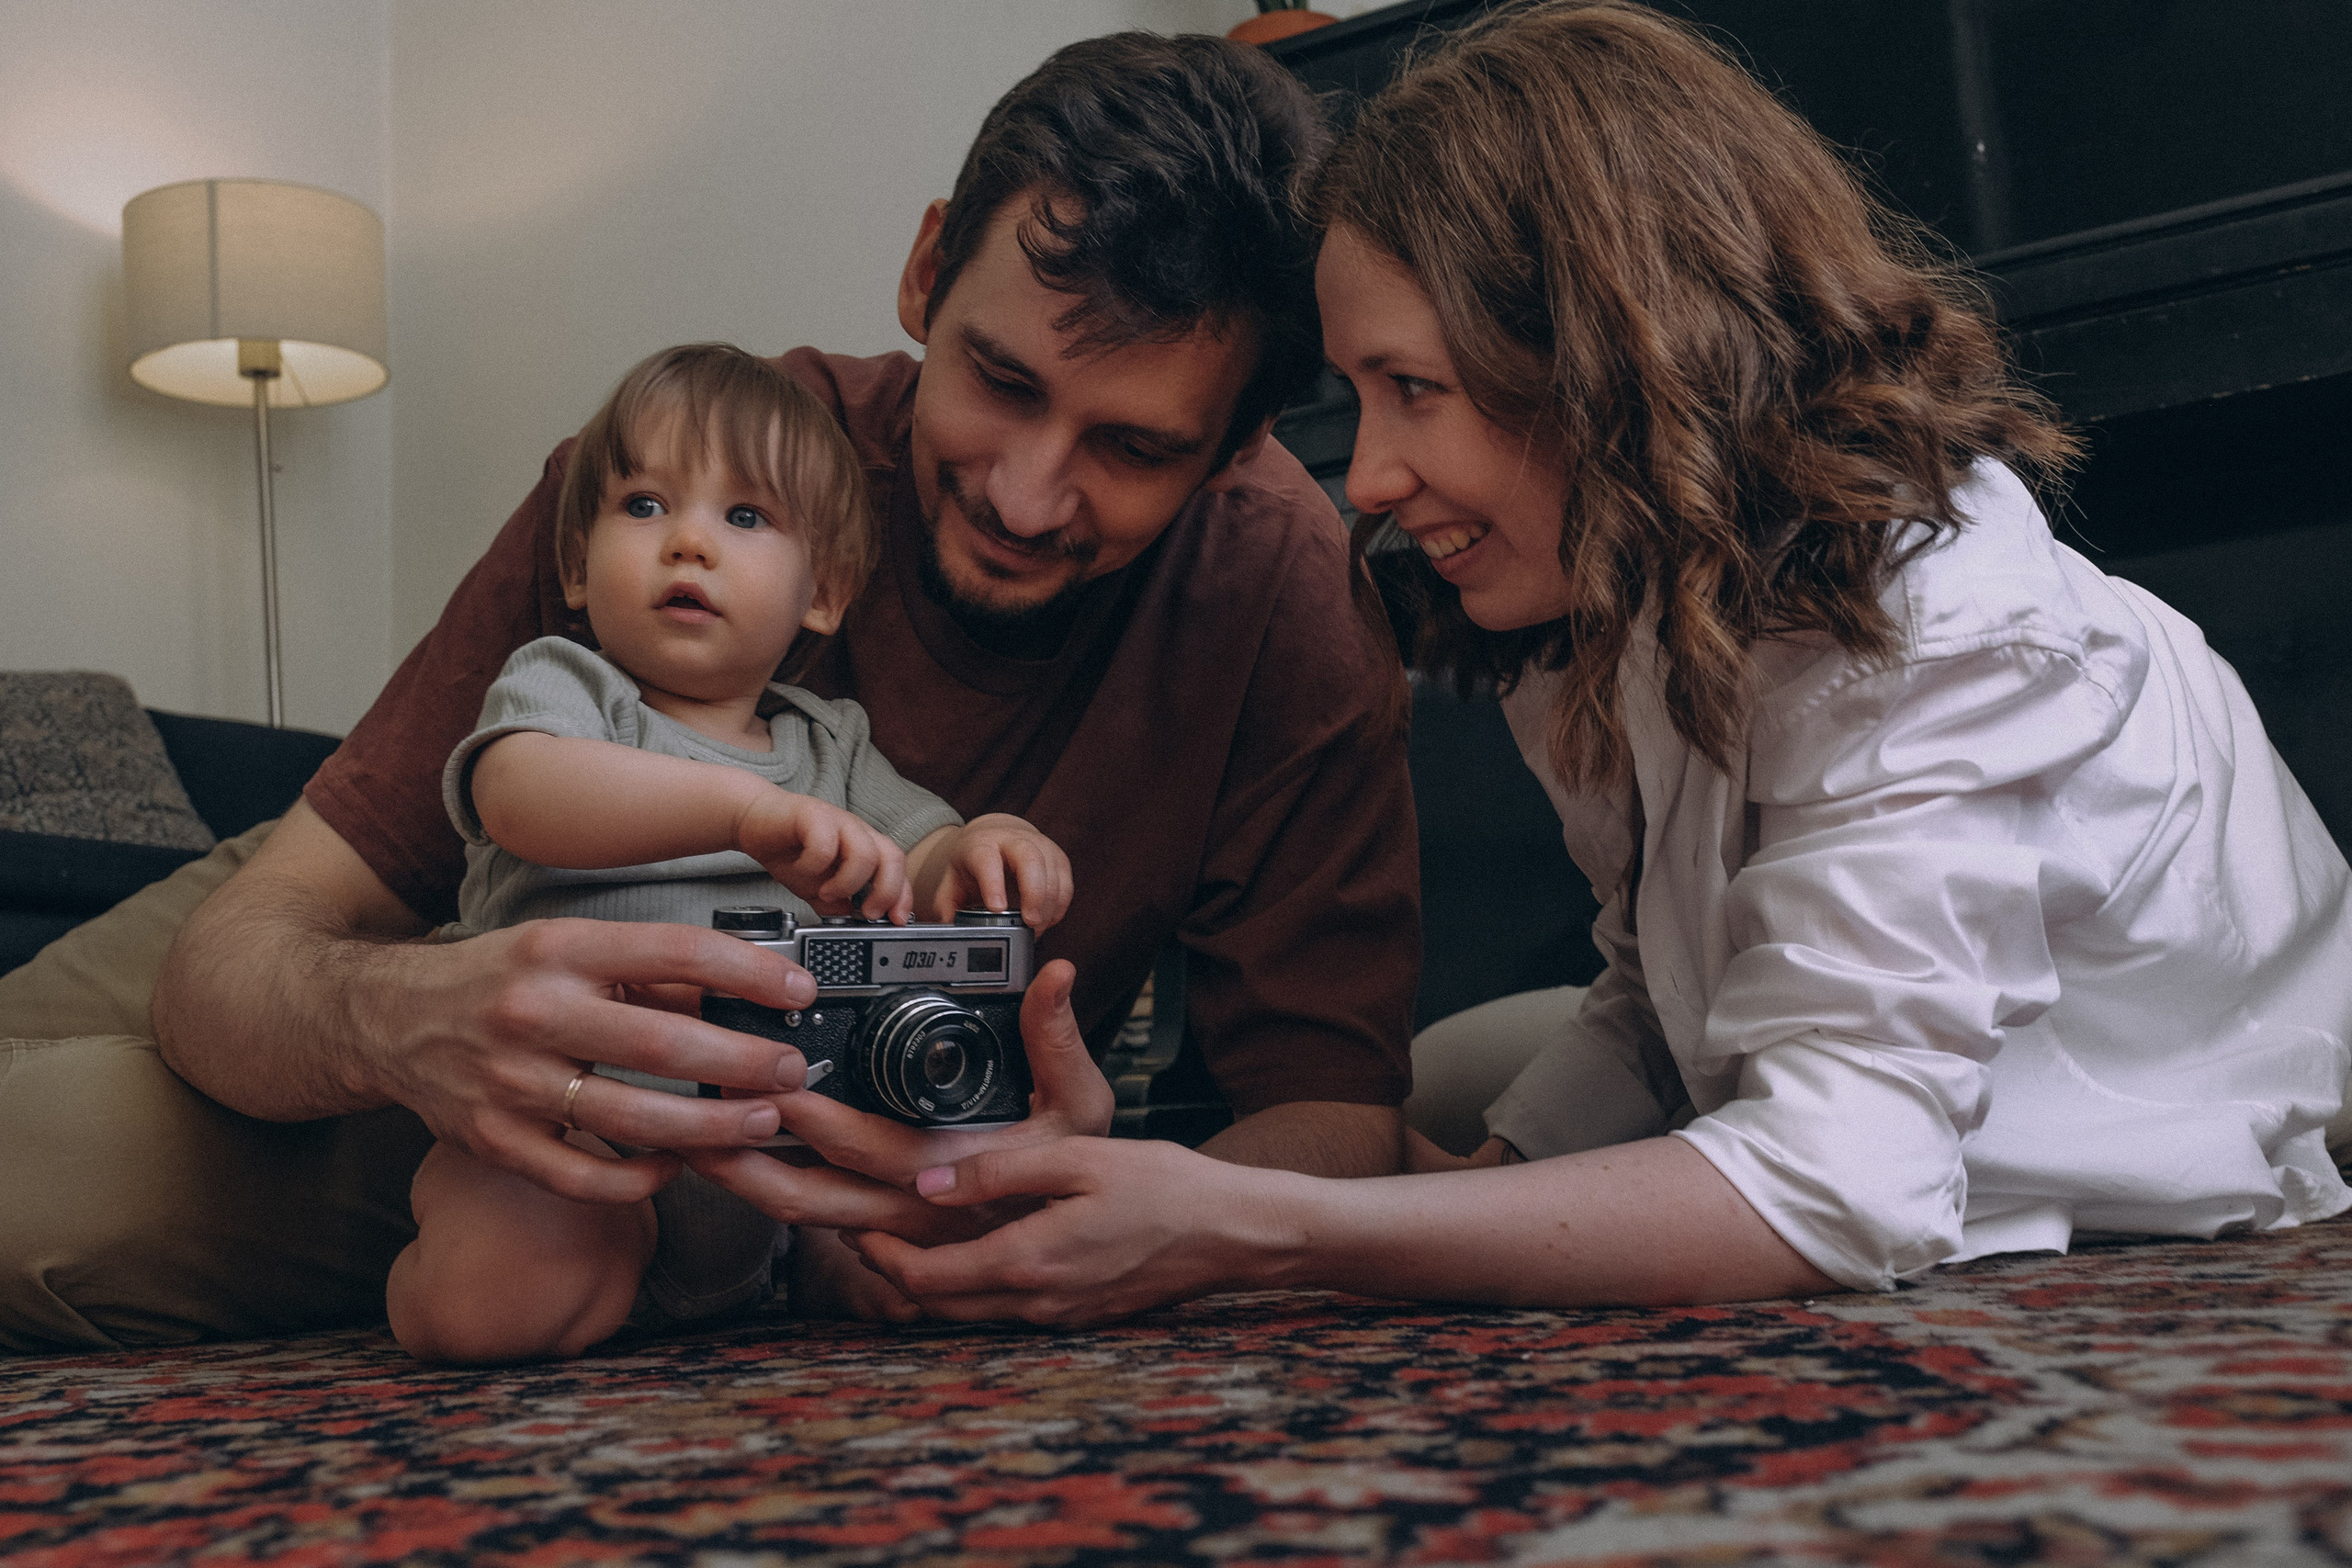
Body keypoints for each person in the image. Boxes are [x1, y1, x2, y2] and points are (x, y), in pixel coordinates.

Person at [741, 0, 2352, 1325]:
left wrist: (1264, 1224)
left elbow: (1834, 1181)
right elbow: (1666, 989)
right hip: (1819, 1075)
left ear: (1607, 363)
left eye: (1411, 391)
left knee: (1377, 1154)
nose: (1365, 478)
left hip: (2163, 1130)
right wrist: (1483, 1173)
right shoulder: (1619, 609)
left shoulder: (1947, 632)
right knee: (1449, 1086)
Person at [0, 31, 1417, 1352]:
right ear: (927, 269)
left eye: (1133, 446)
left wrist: (1083, 1206)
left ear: (1237, 443)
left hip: (634, 1156)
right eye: (997, 376)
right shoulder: (690, 488)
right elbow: (263, 942)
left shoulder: (1283, 605)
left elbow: (1337, 1119)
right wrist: (411, 1015)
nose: (1029, 493)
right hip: (419, 942)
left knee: (46, 1188)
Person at [390, 343, 1073, 1361]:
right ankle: (463, 1246)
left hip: (774, 1171)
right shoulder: (572, 690)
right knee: (489, 1306)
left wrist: (988, 845)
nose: (689, 545)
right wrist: (745, 815)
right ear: (575, 565)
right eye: (645, 506)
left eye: (743, 518)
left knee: (945, 1212)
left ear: (823, 594)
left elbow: (926, 856)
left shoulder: (829, 746)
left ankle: (800, 1263)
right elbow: (521, 795)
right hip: (575, 1146)